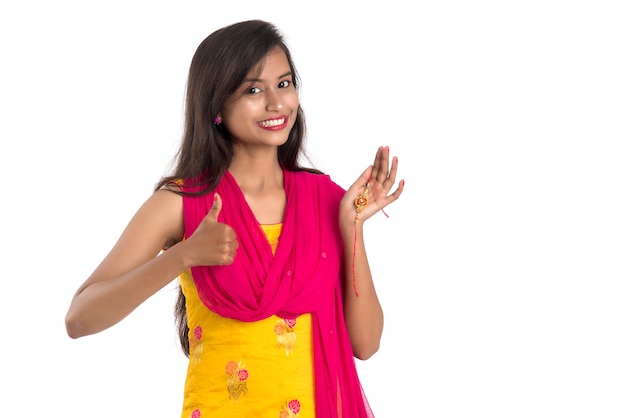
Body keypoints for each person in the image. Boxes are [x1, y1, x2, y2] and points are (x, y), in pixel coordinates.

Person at [65, 19, 404, 418]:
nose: (277, 104)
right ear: (216, 107)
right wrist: (182, 256)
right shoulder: (182, 203)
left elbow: (366, 344)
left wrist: (352, 227)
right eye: (253, 90)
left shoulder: (327, 200)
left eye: (284, 83)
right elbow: (79, 318)